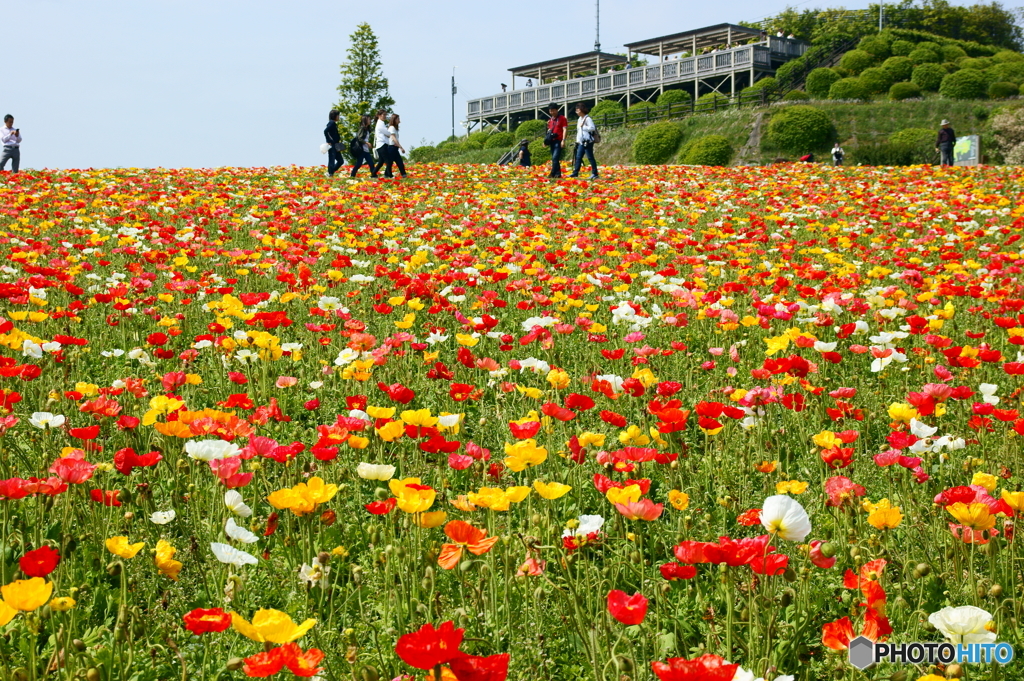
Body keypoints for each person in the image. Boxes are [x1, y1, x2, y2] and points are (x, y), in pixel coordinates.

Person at [570, 102, 598, 180]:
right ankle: (575, 173)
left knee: (590, 157)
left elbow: (592, 128)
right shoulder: (579, 119)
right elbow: (579, 131)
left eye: (577, 110)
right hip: (581, 142)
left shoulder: (587, 119)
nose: (576, 112)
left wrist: (584, 127)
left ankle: (595, 173)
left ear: (582, 110)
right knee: (578, 157)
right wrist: (577, 140)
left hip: (588, 141)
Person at [545, 103, 567, 178]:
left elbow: (564, 129)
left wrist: (563, 140)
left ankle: (552, 173)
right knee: (555, 158)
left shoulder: (562, 118)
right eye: (550, 111)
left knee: (555, 157)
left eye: (553, 110)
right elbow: (549, 131)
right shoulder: (550, 120)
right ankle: (558, 174)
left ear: (557, 110)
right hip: (552, 141)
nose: (552, 112)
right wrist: (546, 141)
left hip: (558, 140)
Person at [384, 113, 406, 179]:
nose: (399, 120)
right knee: (390, 162)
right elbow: (393, 138)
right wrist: (401, 147)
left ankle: (403, 174)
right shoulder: (392, 128)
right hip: (391, 147)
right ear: (394, 119)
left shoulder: (395, 128)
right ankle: (387, 175)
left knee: (399, 162)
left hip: (395, 148)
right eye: (398, 119)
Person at [323, 111, 344, 177]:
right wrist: (329, 140)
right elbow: (325, 131)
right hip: (332, 144)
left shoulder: (334, 123)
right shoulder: (331, 123)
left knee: (340, 161)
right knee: (331, 159)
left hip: (336, 144)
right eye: (338, 115)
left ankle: (332, 172)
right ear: (334, 116)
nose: (339, 117)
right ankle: (330, 173)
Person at [371, 110, 390, 176]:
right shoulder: (380, 124)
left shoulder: (381, 123)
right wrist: (388, 134)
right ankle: (389, 175)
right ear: (379, 115)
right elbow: (387, 133)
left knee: (381, 162)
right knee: (388, 161)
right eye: (383, 115)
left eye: (385, 115)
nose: (385, 116)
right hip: (382, 144)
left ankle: (373, 174)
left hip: (381, 144)